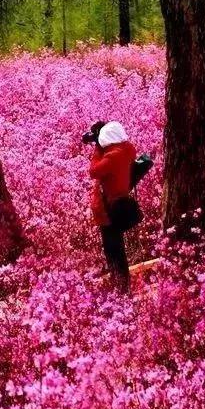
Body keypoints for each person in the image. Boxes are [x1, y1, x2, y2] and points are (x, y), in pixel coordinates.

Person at [87, 121, 137, 292]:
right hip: (119, 204)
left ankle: (121, 286)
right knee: (117, 247)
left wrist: (97, 149)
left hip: (109, 210)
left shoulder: (111, 156)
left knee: (113, 249)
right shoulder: (128, 149)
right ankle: (123, 283)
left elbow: (93, 171)